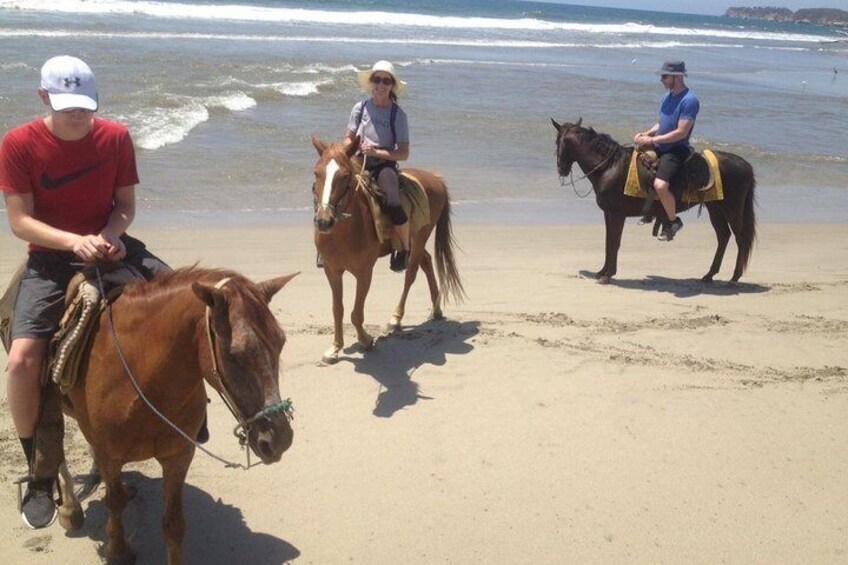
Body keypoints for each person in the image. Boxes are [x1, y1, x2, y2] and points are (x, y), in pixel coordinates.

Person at [0, 55, 172, 529]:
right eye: (67, 108)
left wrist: (112, 234)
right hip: (52, 257)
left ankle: (190, 415)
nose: (79, 117)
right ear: (43, 98)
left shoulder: (114, 137)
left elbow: (125, 206)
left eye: (86, 108)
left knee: (192, 304)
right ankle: (38, 472)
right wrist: (73, 240)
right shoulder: (18, 143)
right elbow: (20, 221)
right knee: (21, 360)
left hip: (111, 244)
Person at [344, 60, 411, 272]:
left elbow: (403, 153)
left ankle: (404, 249)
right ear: (371, 82)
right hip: (359, 158)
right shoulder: (360, 107)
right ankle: (326, 246)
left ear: (392, 85)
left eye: (385, 81)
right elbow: (347, 138)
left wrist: (377, 152)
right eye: (376, 79)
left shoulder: (398, 115)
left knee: (392, 201)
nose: (380, 85)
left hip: (384, 163)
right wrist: (354, 146)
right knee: (331, 189)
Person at [634, 60, 700, 242]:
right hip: (660, 145)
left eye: (664, 76)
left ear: (677, 77)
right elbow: (662, 123)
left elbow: (681, 132)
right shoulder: (667, 96)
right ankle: (649, 211)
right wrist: (645, 134)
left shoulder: (690, 101)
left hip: (676, 150)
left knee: (660, 185)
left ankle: (673, 222)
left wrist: (652, 139)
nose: (661, 80)